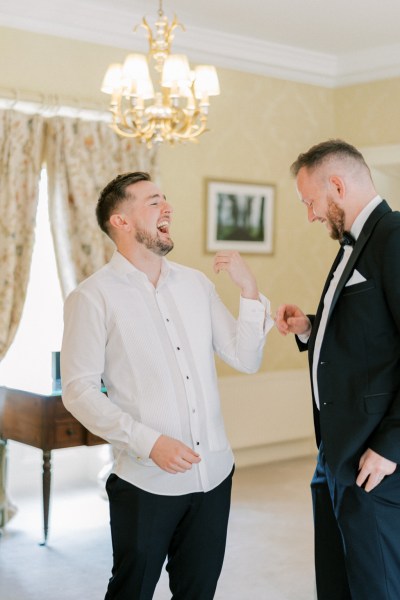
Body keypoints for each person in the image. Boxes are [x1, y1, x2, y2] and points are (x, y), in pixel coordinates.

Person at [61, 171, 273, 600]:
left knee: (198, 592)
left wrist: (249, 291)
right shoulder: (92, 297)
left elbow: (245, 359)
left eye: (165, 199)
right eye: (154, 201)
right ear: (120, 221)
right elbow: (78, 390)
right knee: (131, 591)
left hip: (214, 476)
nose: (168, 208)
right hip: (145, 482)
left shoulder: (196, 284)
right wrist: (149, 441)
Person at [275, 139, 400, 600]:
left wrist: (390, 445)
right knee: (336, 580)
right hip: (334, 451)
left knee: (376, 584)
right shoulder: (353, 242)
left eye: (310, 202)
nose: (310, 214)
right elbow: (371, 336)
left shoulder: (394, 235)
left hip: (375, 458)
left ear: (337, 185)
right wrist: (310, 328)